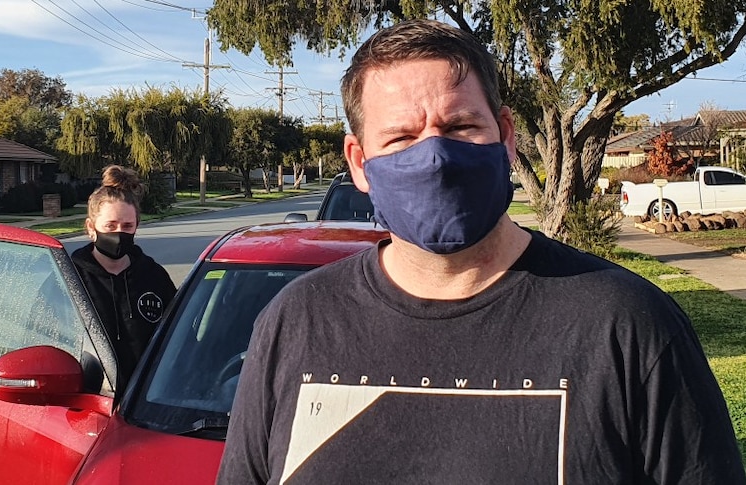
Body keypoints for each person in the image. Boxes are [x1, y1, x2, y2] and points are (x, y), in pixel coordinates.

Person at [217, 19, 745, 484]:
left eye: (460, 127)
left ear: (507, 136)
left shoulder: (626, 324)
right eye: (402, 138)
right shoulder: (294, 323)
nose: (435, 159)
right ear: (358, 162)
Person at [72, 164, 176, 391]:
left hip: (147, 401)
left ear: (137, 226)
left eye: (127, 226)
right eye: (110, 225)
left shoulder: (154, 276)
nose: (119, 233)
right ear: (91, 227)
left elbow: (177, 339)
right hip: (89, 402)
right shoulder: (70, 278)